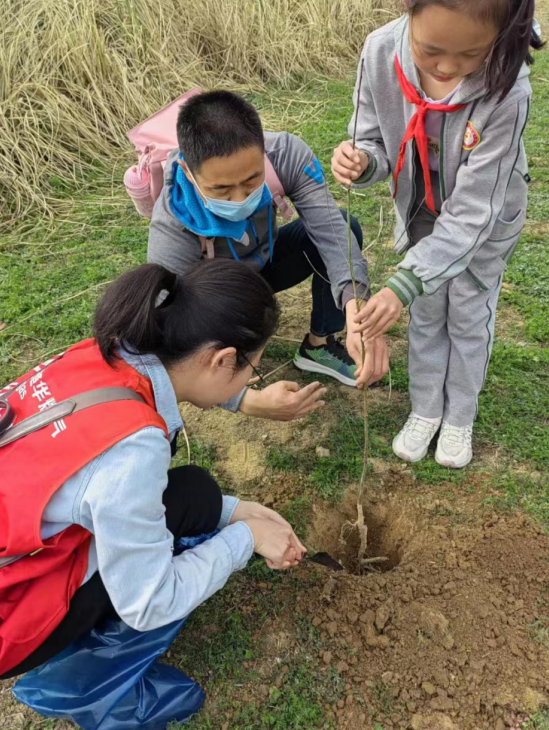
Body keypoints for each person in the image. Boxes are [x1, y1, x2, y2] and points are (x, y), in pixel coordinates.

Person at [0, 260, 306, 698]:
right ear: (222, 360)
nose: (249, 381)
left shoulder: (98, 354)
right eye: (252, 371)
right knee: (152, 570)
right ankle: (88, 681)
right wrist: (244, 539)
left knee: (195, 492)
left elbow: (114, 490)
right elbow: (150, 602)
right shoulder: (133, 445)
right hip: (8, 622)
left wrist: (234, 511)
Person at [332, 0, 542, 468]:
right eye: (430, 51)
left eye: (470, 55)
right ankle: (426, 408)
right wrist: (362, 161)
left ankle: (459, 416)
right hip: (420, 210)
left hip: (484, 222)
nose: (448, 68)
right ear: (408, 12)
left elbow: (472, 213)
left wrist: (402, 284)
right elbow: (370, 139)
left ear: (501, 36)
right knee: (427, 312)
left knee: (468, 313)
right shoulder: (378, 52)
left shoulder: (508, 88)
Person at [147, 90, 389, 393]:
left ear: (263, 152)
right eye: (221, 189)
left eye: (251, 181)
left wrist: (357, 304)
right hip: (215, 293)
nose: (240, 198)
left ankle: (319, 344)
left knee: (345, 225)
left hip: (264, 266)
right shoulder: (175, 213)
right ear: (188, 171)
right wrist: (235, 394)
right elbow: (167, 313)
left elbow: (330, 232)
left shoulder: (286, 154)